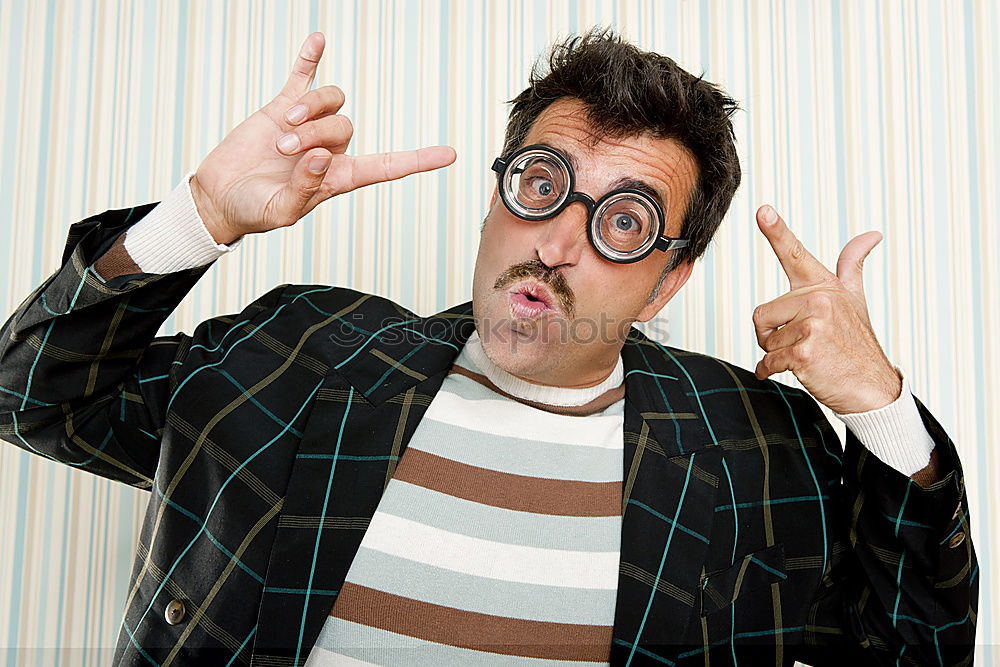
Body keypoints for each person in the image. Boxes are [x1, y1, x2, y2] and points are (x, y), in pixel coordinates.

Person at [0, 28, 976, 667]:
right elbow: (30, 397)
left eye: (625, 221)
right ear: (498, 195)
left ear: (669, 280)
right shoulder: (300, 354)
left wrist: (880, 409)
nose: (555, 245)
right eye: (543, 184)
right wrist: (198, 217)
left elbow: (918, 651)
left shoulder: (760, 449)